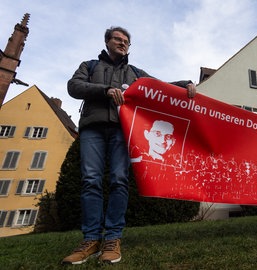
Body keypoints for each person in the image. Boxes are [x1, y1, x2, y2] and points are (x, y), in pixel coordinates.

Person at [62, 26, 196, 265]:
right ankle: (91, 240)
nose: (122, 43)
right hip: (93, 128)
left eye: (126, 41)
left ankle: (112, 238)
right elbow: (74, 87)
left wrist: (184, 85)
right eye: (118, 39)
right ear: (107, 41)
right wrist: (106, 90)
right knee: (91, 180)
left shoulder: (135, 73)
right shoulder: (90, 66)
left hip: (123, 132)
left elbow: (159, 88)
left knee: (119, 180)